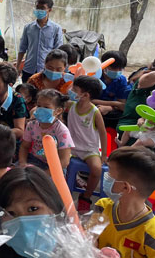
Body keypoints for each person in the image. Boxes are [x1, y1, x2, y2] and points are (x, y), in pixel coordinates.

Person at [0, 166, 64, 258]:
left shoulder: (75, 250)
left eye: (33, 209)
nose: (23, 224)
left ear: (54, 208)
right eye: (11, 213)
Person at [96, 146, 155, 257]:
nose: (105, 177)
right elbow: (90, 239)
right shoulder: (102, 207)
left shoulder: (150, 234)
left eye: (109, 174)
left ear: (125, 188)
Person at [67, 76, 107, 213]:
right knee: (59, 164)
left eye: (74, 89)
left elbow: (103, 133)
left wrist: (104, 156)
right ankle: (63, 193)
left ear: (85, 95)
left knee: (96, 170)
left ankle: (86, 197)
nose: (70, 91)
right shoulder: (70, 105)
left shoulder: (94, 112)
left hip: (89, 149)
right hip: (71, 147)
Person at [19, 89, 74, 171]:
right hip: (34, 160)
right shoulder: (32, 125)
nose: (41, 109)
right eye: (39, 106)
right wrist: (22, 163)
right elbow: (24, 146)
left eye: (46, 107)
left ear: (58, 111)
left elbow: (64, 161)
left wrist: (46, 174)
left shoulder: (62, 131)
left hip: (55, 166)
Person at [16, 0, 63, 82]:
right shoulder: (28, 27)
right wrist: (18, 66)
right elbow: (22, 48)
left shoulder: (56, 28)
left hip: (47, 71)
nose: (39, 10)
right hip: (28, 69)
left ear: (49, 10)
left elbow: (58, 52)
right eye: (37, 7)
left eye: (42, 8)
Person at [93, 51, 132, 129]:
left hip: (111, 110)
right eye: (114, 68)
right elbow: (89, 100)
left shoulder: (121, 80)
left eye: (120, 68)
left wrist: (109, 108)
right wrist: (114, 103)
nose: (117, 71)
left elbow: (122, 105)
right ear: (104, 65)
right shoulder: (94, 77)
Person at [116, 71, 155, 146]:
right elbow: (142, 117)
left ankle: (129, 150)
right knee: (128, 130)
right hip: (143, 130)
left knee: (140, 142)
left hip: (152, 136)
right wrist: (140, 121)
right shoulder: (150, 108)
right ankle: (122, 143)